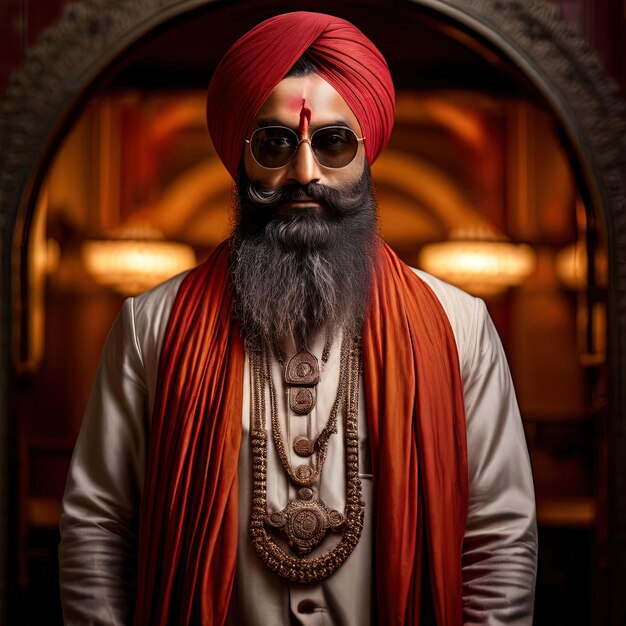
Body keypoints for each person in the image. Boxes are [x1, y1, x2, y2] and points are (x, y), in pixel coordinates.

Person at [59, 11, 537, 626]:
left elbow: (499, 540)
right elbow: (97, 525)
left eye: (333, 142)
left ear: (367, 157)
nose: (305, 172)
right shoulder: (152, 324)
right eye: (275, 144)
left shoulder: (458, 325)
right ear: (241, 155)